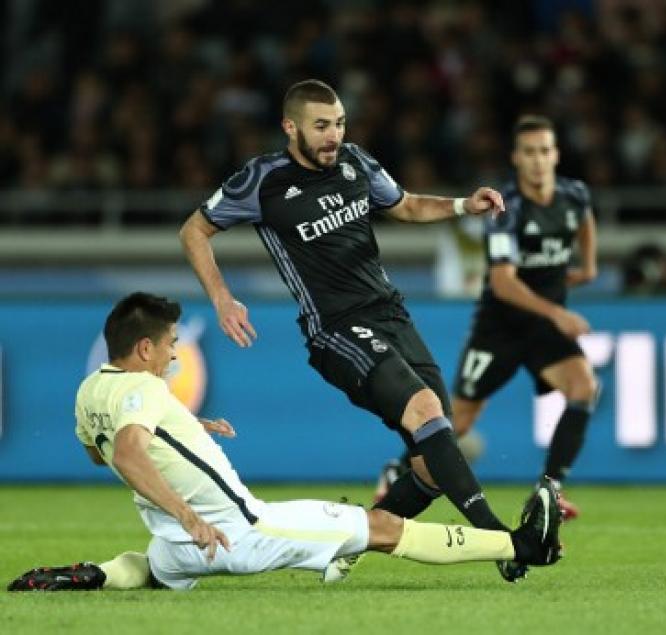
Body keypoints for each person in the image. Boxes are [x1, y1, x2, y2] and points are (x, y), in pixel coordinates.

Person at [179, 78, 529, 581]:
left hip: (391, 315)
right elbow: (195, 229)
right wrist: (221, 297)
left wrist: (459, 206)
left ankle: (350, 544)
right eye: (321, 125)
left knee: (432, 460)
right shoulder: (262, 180)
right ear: (290, 127)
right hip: (335, 329)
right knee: (427, 412)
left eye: (339, 123)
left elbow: (403, 204)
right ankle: (502, 541)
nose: (333, 135)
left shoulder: (356, 162)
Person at [7, 292, 562, 592]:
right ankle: (520, 547)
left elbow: (98, 451)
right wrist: (192, 513)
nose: (176, 355)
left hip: (173, 546)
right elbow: (128, 450)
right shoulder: (142, 392)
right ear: (146, 349)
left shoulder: (90, 391)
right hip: (235, 533)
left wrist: (186, 431)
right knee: (381, 528)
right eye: (172, 344)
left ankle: (100, 575)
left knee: (154, 568)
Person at [378, 116, 599, 531]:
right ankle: (395, 471)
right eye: (529, 153)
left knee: (584, 386)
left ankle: (549, 490)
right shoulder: (506, 209)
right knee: (456, 423)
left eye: (545, 151)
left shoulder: (574, 195)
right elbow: (502, 282)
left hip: (544, 330)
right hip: (500, 329)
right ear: (516, 159)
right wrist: (559, 312)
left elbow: (583, 219)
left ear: (556, 155)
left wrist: (587, 267)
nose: (538, 161)